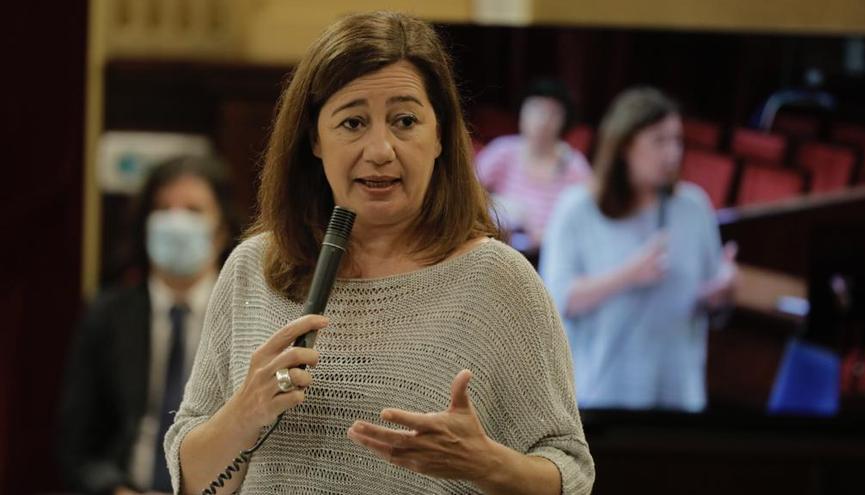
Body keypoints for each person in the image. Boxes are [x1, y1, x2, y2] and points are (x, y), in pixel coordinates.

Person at [165, 11, 594, 495]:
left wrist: (487, 464)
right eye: (352, 122)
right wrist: (244, 413)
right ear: (315, 140)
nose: (381, 149)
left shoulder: (497, 280)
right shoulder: (253, 268)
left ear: (439, 136)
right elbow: (195, 483)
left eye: (405, 121)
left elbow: (572, 474)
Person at [540, 87, 737, 412]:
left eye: (677, 140)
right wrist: (628, 275)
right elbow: (556, 303)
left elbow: (706, 300)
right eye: (659, 141)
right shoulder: (577, 210)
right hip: (602, 396)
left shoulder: (694, 206)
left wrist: (721, 294)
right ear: (624, 146)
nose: (672, 153)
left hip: (678, 395)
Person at [58, 156, 239, 494]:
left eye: (193, 210)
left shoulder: (247, 314)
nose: (176, 221)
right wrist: (116, 490)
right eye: (163, 209)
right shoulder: (108, 315)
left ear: (221, 229)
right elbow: (77, 448)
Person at [475, 79, 591, 253]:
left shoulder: (574, 165)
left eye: (553, 113)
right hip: (499, 247)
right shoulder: (503, 151)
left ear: (565, 120)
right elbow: (467, 191)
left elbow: (588, 217)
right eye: (536, 110)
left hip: (551, 252)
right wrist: (496, 211)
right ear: (521, 113)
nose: (543, 121)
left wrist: (548, 236)